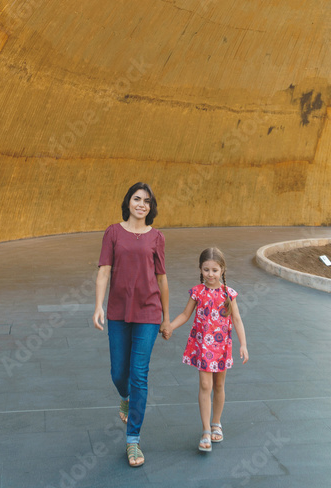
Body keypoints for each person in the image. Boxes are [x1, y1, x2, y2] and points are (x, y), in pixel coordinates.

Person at [93, 182, 170, 468]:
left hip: (149, 312)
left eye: (147, 201)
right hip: (117, 311)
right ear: (128, 202)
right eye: (137, 199)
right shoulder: (113, 232)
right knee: (118, 373)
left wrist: (165, 317)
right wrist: (98, 305)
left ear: (151, 207)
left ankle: (133, 439)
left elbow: (162, 278)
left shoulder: (157, 237)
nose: (141, 204)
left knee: (139, 374)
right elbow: (104, 271)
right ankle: (124, 397)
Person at [161, 246, 248, 452]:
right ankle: (206, 430)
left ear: (223, 270)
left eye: (215, 270)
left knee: (219, 386)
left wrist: (243, 344)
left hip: (221, 347)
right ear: (200, 269)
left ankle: (216, 423)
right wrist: (169, 326)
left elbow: (237, 319)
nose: (210, 274)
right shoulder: (197, 292)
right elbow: (185, 315)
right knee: (205, 385)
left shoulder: (229, 294)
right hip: (202, 346)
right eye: (206, 269)